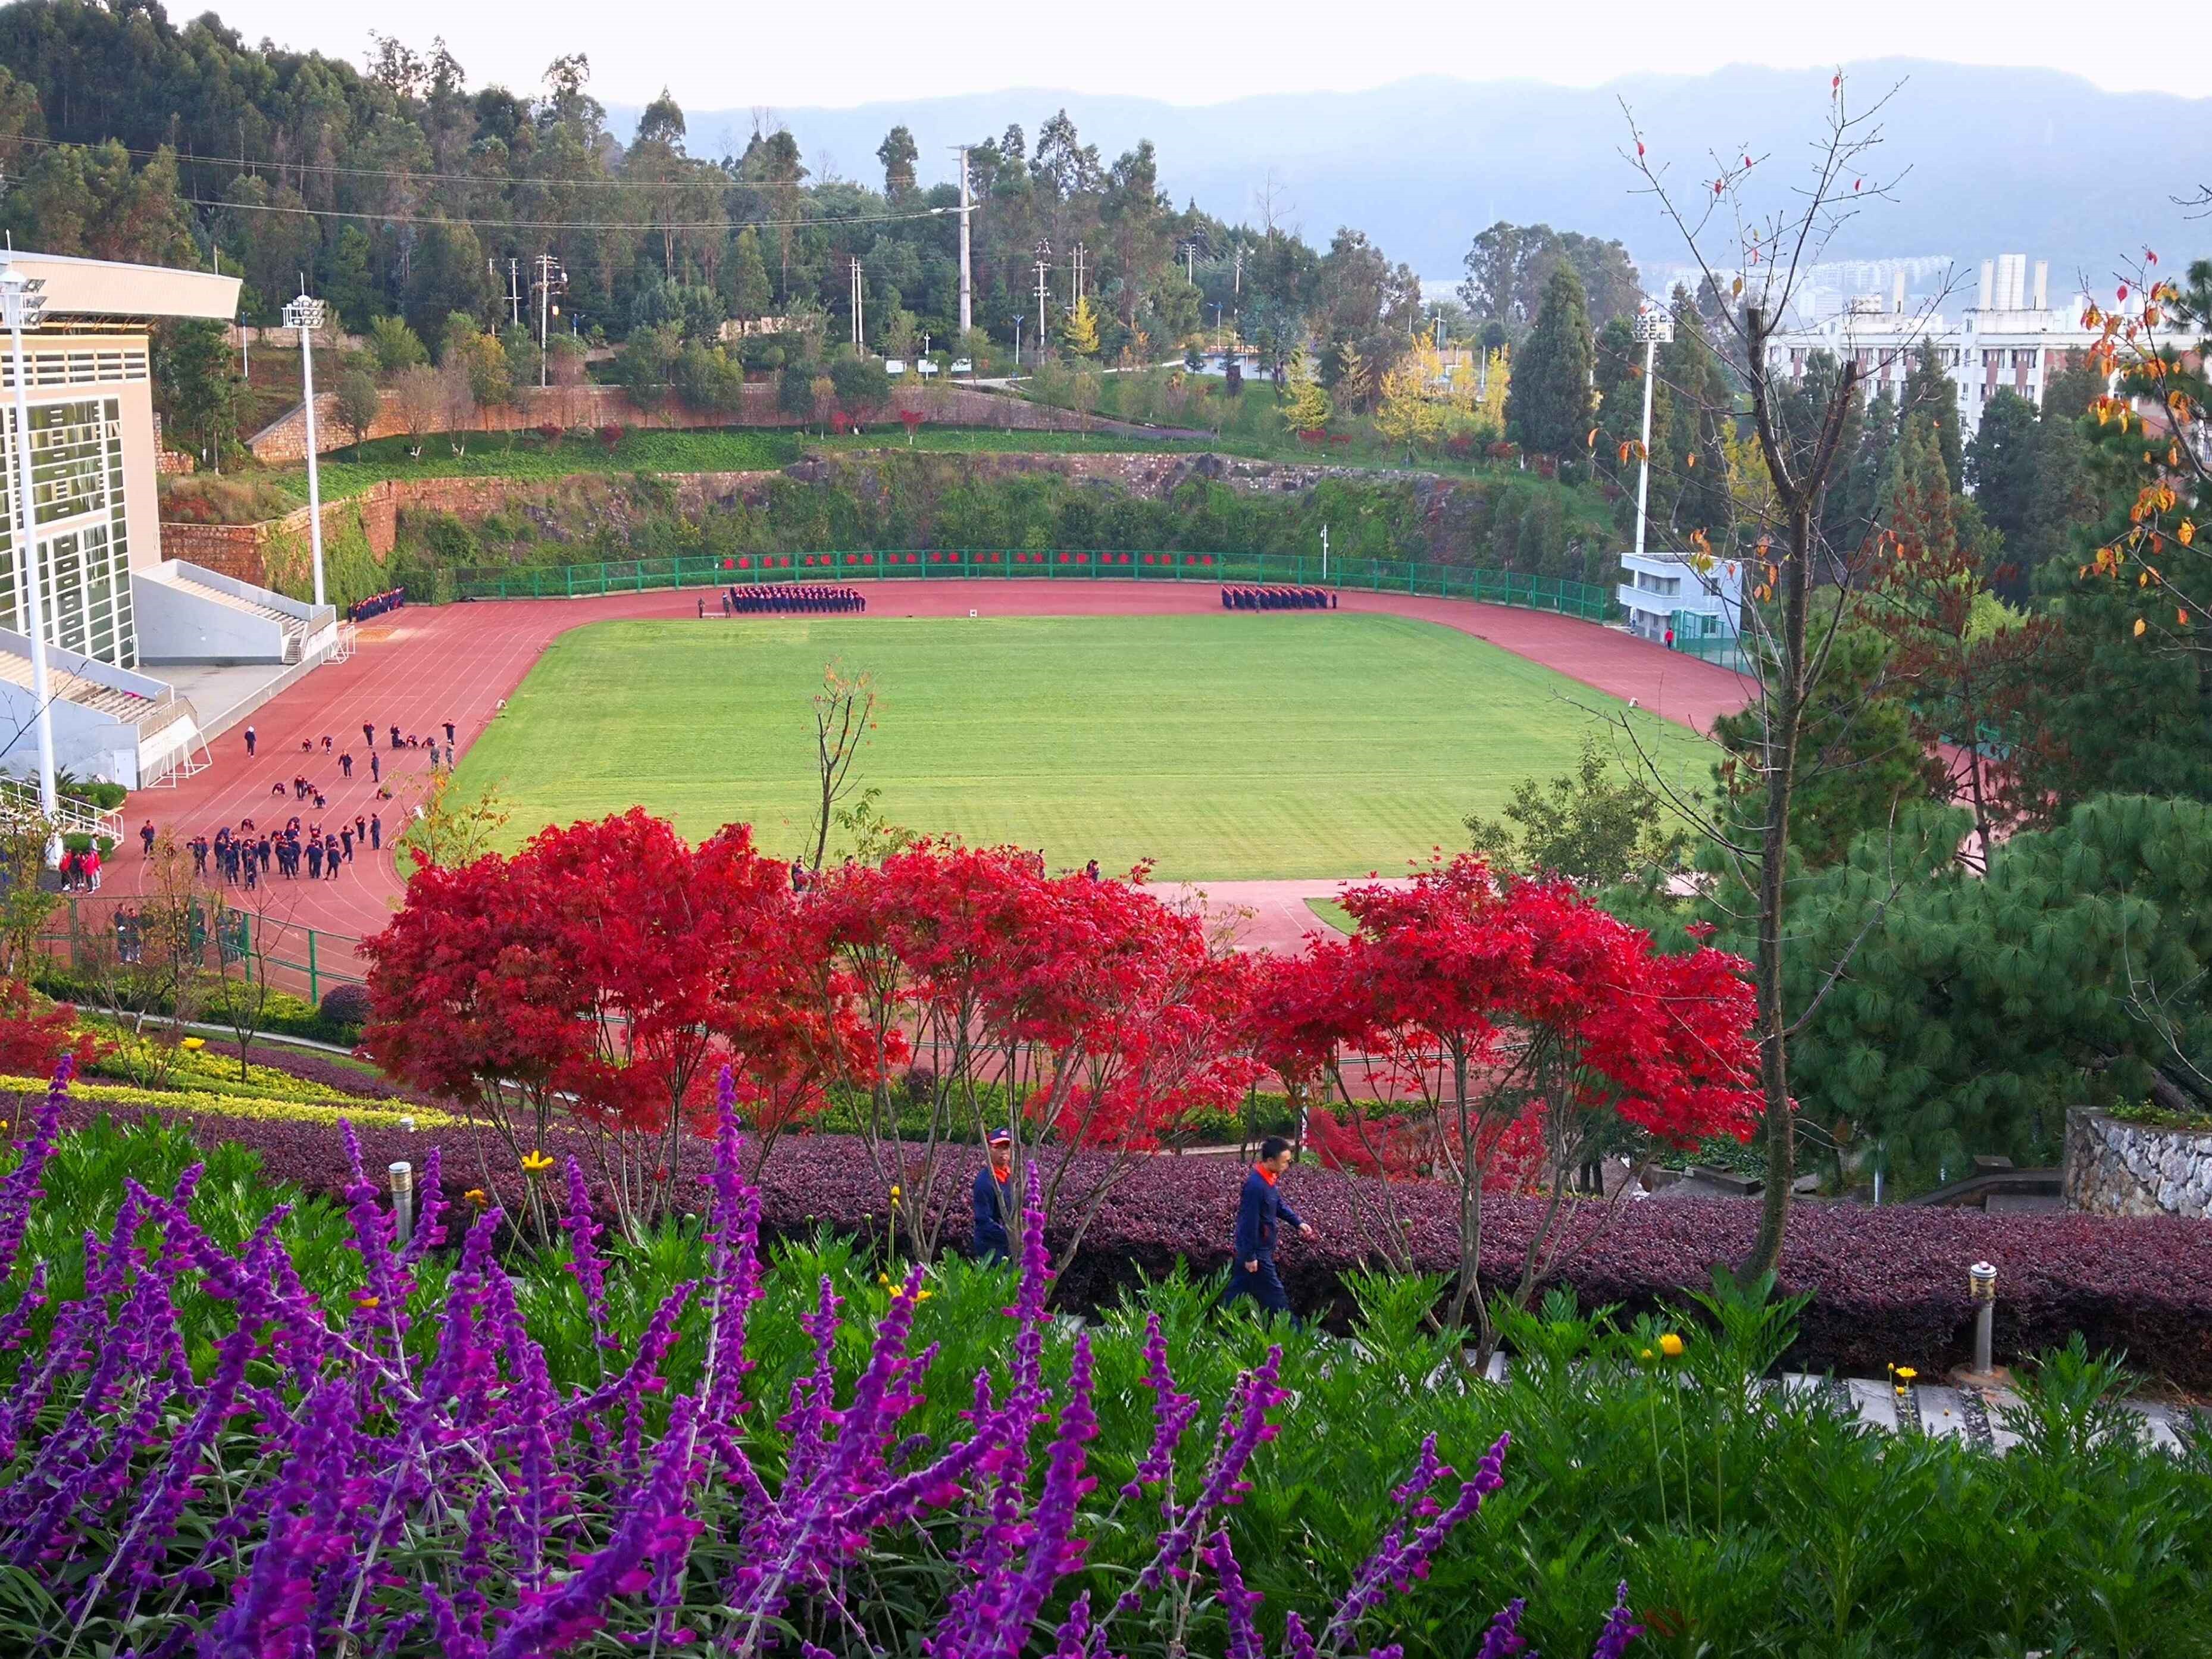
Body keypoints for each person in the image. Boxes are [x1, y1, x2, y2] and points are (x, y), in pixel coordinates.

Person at [1225, 1137, 1314, 1319]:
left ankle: (1220, 1328)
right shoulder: (1256, 1186)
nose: (1287, 1166)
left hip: (1260, 1249)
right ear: (1270, 1161)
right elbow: (1248, 1223)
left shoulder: (1269, 1180)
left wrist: (1298, 1223)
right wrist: (1250, 1255)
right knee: (1275, 1295)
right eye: (1284, 1162)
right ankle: (1294, 1334)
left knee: (1236, 1293)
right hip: (1257, 1251)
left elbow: (1278, 1206)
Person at [972, 1129, 1015, 1265]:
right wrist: (1012, 1235)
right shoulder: (984, 1182)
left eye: (1006, 1147)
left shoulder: (1014, 1178)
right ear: (989, 1149)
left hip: (1011, 1247)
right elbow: (984, 1221)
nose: (1003, 1152)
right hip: (991, 1248)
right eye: (998, 1147)